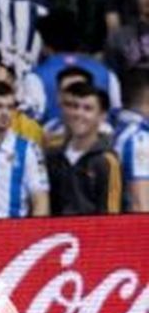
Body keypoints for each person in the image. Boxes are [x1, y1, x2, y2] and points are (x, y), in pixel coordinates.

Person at [0, 80, 49, 219]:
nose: (5, 113)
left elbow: (40, 200)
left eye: (10, 107)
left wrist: (35, 231)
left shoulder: (27, 149)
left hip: (17, 230)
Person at [44, 83, 124, 216]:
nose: (79, 114)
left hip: (93, 229)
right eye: (74, 107)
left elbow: (111, 214)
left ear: (102, 116)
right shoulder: (52, 156)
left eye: (88, 109)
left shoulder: (107, 161)